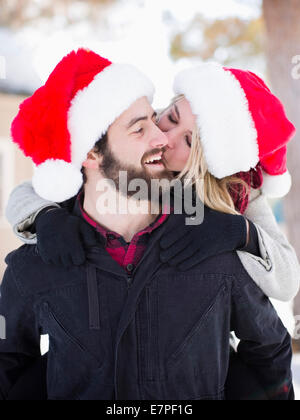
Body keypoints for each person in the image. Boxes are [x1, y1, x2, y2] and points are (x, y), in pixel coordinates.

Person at [0, 49, 294, 400]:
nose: (163, 138)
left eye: (189, 141)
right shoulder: (44, 249)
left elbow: (277, 318)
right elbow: (32, 192)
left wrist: (241, 233)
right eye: (162, 119)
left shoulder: (227, 209)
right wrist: (46, 218)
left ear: (207, 159)